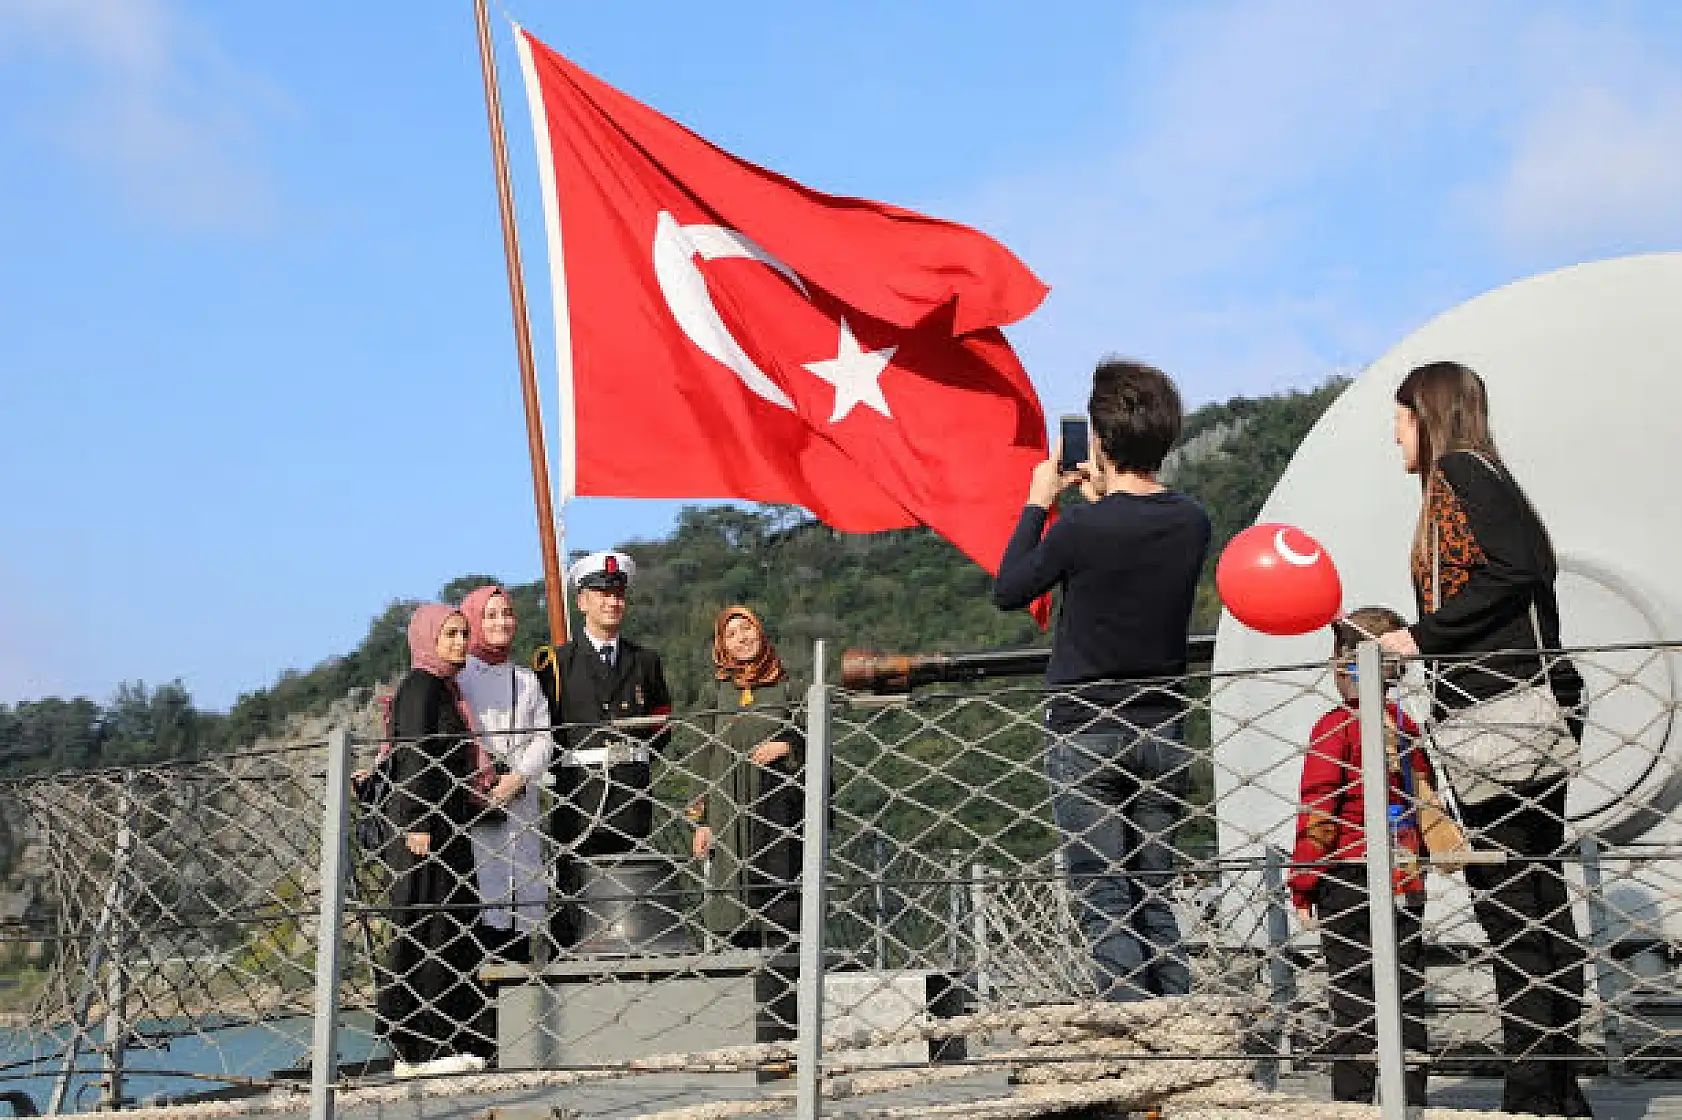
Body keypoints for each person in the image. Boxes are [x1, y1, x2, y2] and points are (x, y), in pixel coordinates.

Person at [1377, 360, 1591, 1117]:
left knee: (1510, 901)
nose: (1394, 434)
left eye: (1401, 418)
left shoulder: (1464, 474)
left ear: (1428, 417)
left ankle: (1534, 1095)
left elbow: (1519, 567)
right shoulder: (1483, 474)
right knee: (1535, 896)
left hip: (1503, 709)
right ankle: (1555, 1090)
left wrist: (1421, 637)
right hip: (1524, 703)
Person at [993, 358, 1212, 1001]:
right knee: (1154, 892)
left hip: (1086, 727)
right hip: (1163, 725)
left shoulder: (1081, 527)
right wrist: (1101, 498)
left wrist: (1040, 503)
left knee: (1103, 893)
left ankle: (1133, 1035)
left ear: (1100, 439)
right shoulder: (1191, 521)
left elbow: (1010, 588)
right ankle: (1182, 1023)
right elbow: (1132, 539)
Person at [1291, 607, 1432, 1107]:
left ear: (1345, 664)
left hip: (1347, 875)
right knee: (1405, 991)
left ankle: (1351, 1104)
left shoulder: (1334, 727)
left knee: (1352, 995)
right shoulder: (1406, 726)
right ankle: (1410, 1100)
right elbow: (1424, 801)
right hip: (1404, 873)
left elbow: (1320, 811)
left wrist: (1303, 882)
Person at [532, 551, 673, 942]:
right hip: (578, 796)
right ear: (582, 602)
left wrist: (636, 761)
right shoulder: (557, 663)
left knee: (628, 893)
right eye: (601, 594)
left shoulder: (644, 661)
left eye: (618, 595)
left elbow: (662, 723)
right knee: (575, 896)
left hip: (631, 795)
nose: (612, 603)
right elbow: (547, 730)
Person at [376, 604, 492, 1077]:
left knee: (452, 926)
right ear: (427, 638)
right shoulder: (421, 688)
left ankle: (450, 1037)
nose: (459, 642)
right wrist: (418, 821)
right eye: (450, 634)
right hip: (426, 828)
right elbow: (416, 755)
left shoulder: (445, 688)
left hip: (448, 825)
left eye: (464, 634)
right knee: (428, 927)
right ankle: (421, 1045)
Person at [690, 607, 803, 949]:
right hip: (726, 807)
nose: (742, 638)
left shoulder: (787, 687)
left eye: (747, 629)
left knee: (778, 896)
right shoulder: (716, 693)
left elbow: (812, 737)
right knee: (730, 892)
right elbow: (701, 755)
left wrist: (786, 746)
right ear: (722, 643)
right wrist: (702, 820)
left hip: (777, 808)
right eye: (732, 634)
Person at [458, 584, 554, 963]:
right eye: (491, 615)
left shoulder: (527, 679)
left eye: (507, 613)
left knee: (520, 908)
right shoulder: (459, 677)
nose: (502, 622)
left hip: (520, 804)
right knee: (480, 901)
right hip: (474, 807)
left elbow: (544, 738)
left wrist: (517, 777)